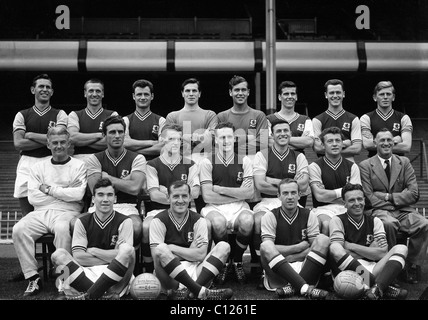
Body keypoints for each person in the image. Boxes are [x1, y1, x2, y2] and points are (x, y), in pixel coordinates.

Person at [12, 126, 87, 296]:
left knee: (62, 228)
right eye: (55, 143)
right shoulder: (38, 167)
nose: (59, 146)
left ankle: (63, 277)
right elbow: (34, 198)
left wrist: (49, 190)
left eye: (62, 142)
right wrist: (64, 191)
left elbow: (78, 194)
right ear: (48, 144)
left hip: (68, 211)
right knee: (19, 229)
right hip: (40, 211)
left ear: (69, 143)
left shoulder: (79, 165)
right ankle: (33, 277)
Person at [359, 128, 428, 284]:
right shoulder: (365, 165)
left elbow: (414, 194)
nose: (386, 143)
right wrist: (396, 201)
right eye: (382, 140)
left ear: (394, 142)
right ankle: (388, 269)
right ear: (374, 143)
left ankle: (410, 265)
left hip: (403, 211)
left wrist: (388, 196)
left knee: (424, 223)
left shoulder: (404, 162)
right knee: (388, 223)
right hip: (378, 211)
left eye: (389, 140)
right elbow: (368, 197)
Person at [51, 178, 135, 300]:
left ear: (115, 199)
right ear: (93, 199)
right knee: (58, 255)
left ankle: (89, 296)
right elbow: (79, 257)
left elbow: (125, 256)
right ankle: (103, 296)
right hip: (87, 273)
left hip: (115, 277)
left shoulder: (125, 221)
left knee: (128, 249)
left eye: (109, 195)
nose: (105, 199)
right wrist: (113, 258)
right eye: (100, 195)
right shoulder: (82, 221)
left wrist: (93, 251)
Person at [150, 180, 233, 300]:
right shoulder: (158, 220)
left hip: (196, 270)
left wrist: (172, 248)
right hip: (169, 278)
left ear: (190, 198)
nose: (180, 200)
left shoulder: (199, 220)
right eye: (176, 196)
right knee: (161, 249)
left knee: (224, 246)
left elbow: (200, 255)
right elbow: (157, 256)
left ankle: (190, 292)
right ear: (168, 198)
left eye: (184, 196)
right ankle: (199, 291)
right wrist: (189, 251)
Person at [329, 183, 409, 300]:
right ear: (344, 203)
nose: (357, 203)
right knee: (335, 248)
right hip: (347, 271)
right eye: (351, 200)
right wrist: (370, 251)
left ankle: (375, 288)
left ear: (364, 200)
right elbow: (336, 253)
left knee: (401, 248)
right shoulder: (337, 220)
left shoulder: (375, 221)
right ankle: (381, 287)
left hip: (373, 268)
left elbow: (382, 253)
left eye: (360, 199)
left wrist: (351, 246)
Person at [199, 121, 255, 285]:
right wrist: (238, 193)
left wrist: (219, 189)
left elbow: (249, 193)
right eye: (222, 137)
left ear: (234, 138)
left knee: (247, 221)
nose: (226, 141)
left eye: (229, 137)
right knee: (217, 223)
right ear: (216, 139)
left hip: (239, 208)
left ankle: (236, 261)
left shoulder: (244, 161)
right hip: (214, 207)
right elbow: (208, 196)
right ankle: (223, 262)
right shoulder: (207, 162)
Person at [141, 124, 200, 274]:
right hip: (158, 210)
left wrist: (166, 192)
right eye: (171, 139)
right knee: (146, 227)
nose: (175, 143)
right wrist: (182, 196)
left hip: (186, 210)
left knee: (207, 224)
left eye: (179, 139)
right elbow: (154, 195)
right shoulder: (152, 165)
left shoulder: (190, 164)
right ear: (162, 140)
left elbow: (196, 192)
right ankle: (150, 270)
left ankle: (199, 267)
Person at [258, 178, 330, 299]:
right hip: (279, 272)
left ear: (299, 195)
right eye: (285, 193)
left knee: (323, 239)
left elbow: (316, 247)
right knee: (265, 246)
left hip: (305, 267)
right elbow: (268, 249)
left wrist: (293, 257)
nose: (290, 197)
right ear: (278, 196)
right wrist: (298, 247)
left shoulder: (309, 214)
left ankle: (295, 287)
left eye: (293, 193)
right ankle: (305, 288)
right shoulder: (270, 216)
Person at [252, 119, 309, 266]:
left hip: (291, 201)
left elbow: (303, 184)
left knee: (312, 222)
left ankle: (297, 259)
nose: (282, 134)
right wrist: (289, 183)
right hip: (267, 202)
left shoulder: (299, 156)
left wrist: (271, 179)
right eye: (279, 131)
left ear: (290, 133)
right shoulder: (262, 155)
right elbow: (260, 184)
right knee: (258, 220)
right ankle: (262, 266)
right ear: (272, 134)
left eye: (285, 131)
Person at [85, 115, 145, 250]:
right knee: (74, 223)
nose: (117, 135)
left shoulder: (137, 158)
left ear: (125, 134)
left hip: (127, 206)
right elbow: (97, 190)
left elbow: (135, 188)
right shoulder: (94, 159)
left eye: (120, 132)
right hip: (99, 206)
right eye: (112, 132)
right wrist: (126, 181)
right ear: (104, 135)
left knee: (135, 227)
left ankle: (127, 266)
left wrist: (109, 179)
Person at [13, 73, 68, 217]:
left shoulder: (60, 114)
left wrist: (30, 135)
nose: (45, 89)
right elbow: (19, 143)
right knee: (27, 212)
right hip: (27, 162)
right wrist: (49, 140)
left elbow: (61, 141)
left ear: (52, 92)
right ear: (33, 90)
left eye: (48, 87)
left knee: (51, 207)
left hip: (51, 161)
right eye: (41, 86)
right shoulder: (22, 114)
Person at [165, 77, 217, 212]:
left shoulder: (209, 114)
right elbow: (169, 139)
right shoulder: (173, 116)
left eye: (194, 90)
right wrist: (199, 136)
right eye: (187, 91)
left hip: (205, 161)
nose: (191, 93)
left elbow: (210, 138)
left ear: (200, 93)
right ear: (182, 93)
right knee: (182, 197)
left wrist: (182, 137)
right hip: (181, 162)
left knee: (203, 203)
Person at [308, 126, 361, 235]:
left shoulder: (353, 166)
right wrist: (346, 191)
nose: (335, 144)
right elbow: (319, 196)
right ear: (323, 145)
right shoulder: (314, 166)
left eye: (338, 140)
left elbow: (355, 196)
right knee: (328, 224)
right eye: (330, 141)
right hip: (323, 209)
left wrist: (328, 194)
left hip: (348, 208)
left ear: (342, 144)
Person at [67, 78, 119, 162]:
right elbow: (72, 137)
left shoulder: (112, 115)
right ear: (85, 93)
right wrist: (99, 135)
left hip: (105, 159)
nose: (94, 94)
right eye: (91, 91)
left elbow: (112, 141)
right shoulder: (75, 114)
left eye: (98, 91)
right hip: (79, 160)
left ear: (103, 94)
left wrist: (81, 140)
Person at [312, 79, 362, 162]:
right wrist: (345, 143)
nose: (335, 95)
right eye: (331, 93)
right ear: (326, 95)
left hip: (348, 165)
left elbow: (357, 148)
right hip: (324, 166)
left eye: (338, 92)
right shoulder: (317, 120)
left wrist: (329, 148)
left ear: (343, 94)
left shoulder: (353, 119)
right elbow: (317, 148)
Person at [360, 81, 413, 158]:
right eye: (381, 94)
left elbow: (406, 147)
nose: (385, 97)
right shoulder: (366, 118)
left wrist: (377, 142)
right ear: (375, 97)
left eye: (388, 94)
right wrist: (394, 140)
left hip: (398, 163)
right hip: (374, 164)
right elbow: (367, 144)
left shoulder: (404, 118)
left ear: (393, 97)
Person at [267, 80, 315, 156]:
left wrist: (279, 139)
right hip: (275, 162)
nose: (290, 97)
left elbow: (309, 142)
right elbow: (269, 143)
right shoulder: (268, 119)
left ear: (296, 97)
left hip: (299, 163)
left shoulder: (306, 119)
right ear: (279, 97)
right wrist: (300, 141)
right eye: (286, 94)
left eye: (292, 94)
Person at [123, 79, 165, 162]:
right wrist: (152, 143)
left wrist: (132, 150)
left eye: (146, 94)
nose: (142, 97)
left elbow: (162, 147)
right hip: (131, 165)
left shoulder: (161, 120)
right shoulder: (125, 120)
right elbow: (124, 143)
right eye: (139, 94)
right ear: (133, 96)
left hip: (154, 165)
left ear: (152, 96)